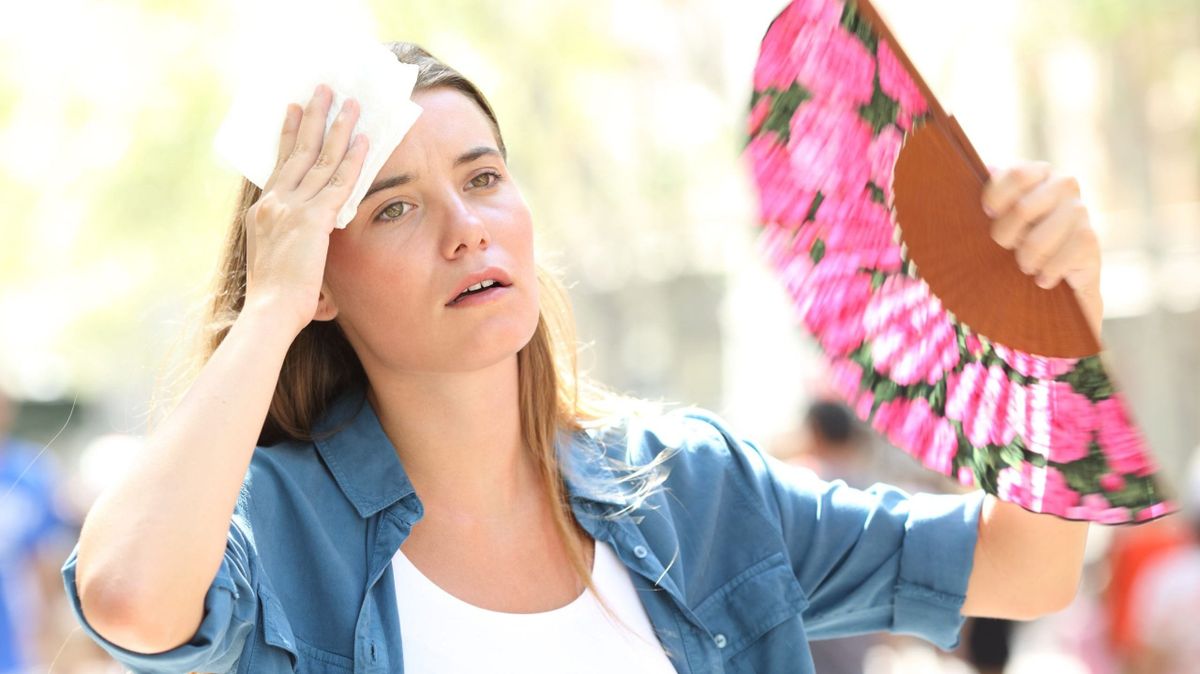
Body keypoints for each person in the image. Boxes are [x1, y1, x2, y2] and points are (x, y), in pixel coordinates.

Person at [61, 43, 1098, 673]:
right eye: (395, 206)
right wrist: (274, 302)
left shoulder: (694, 488)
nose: (466, 228)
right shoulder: (278, 528)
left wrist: (1059, 316)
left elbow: (1029, 565)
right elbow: (127, 597)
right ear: (319, 275)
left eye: (484, 176)